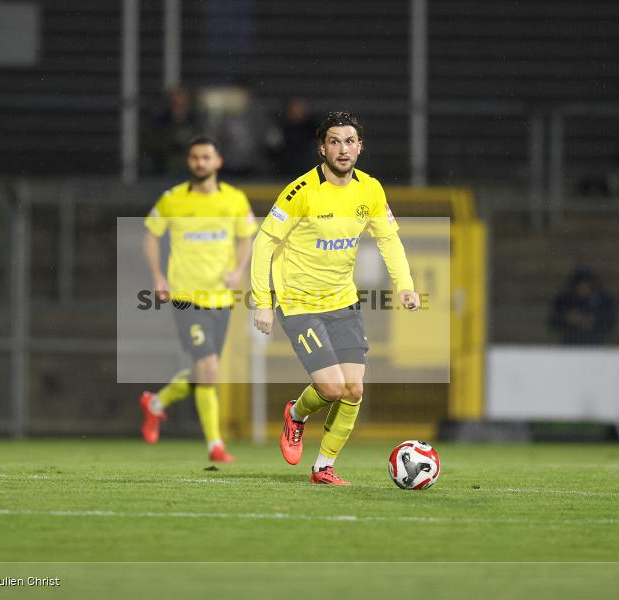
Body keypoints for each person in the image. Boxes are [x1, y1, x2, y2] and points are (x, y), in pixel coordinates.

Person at [250, 112, 419, 485]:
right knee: (330, 389)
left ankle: (323, 466)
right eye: (335, 141)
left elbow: (388, 238)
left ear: (360, 146)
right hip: (298, 303)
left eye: (350, 141)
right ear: (322, 147)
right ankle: (296, 414)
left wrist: (404, 283)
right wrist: (263, 301)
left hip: (342, 301)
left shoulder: (370, 190)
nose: (343, 149)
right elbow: (264, 244)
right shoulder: (300, 191)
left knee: (354, 389)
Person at [139, 135, 257, 462]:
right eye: (194, 158)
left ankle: (156, 403)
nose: (200, 163)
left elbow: (247, 238)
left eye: (206, 157)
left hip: (221, 299)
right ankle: (215, 445)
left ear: (218, 162)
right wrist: (158, 277)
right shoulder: (172, 199)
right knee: (207, 366)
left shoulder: (234, 199)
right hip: (186, 298)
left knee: (207, 371)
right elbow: (150, 235)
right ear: (189, 162)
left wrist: (237, 270)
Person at [549, 265, 616, 345]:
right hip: (570, 345)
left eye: (586, 285)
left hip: (596, 345)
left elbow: (611, 321)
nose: (584, 288)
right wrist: (567, 319)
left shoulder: (603, 299)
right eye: (580, 285)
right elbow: (553, 321)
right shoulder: (564, 300)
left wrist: (595, 320)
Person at [147, 85, 201, 177]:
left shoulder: (195, 120)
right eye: (176, 96)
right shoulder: (162, 120)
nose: (179, 100)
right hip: (165, 167)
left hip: (190, 168)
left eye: (182, 96)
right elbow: (153, 142)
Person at [267, 96, 317, 176]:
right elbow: (272, 149)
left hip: (306, 170)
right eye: (296, 106)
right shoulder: (279, 126)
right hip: (282, 172)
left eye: (301, 106)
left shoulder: (312, 127)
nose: (299, 110)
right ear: (288, 109)